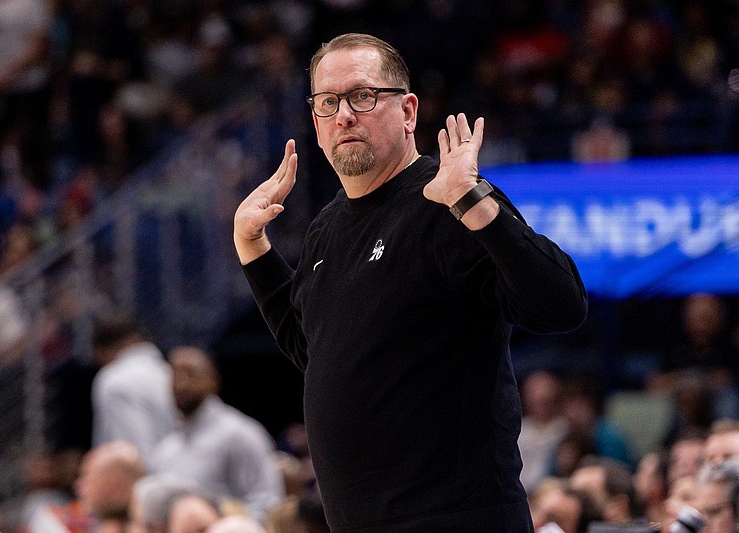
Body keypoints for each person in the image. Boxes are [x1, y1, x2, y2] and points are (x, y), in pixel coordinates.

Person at [232, 32, 587, 531]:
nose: (344, 115)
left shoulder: (446, 201)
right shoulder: (325, 229)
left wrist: (471, 200)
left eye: (362, 95)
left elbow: (562, 305)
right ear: (315, 124)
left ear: (408, 110)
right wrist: (252, 246)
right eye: (328, 102)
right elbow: (313, 350)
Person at [148, 346, 282, 524]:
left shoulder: (241, 434)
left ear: (213, 381)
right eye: (175, 374)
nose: (181, 383)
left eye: (190, 373)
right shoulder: (166, 448)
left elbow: (267, 502)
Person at [91, 313, 176, 458]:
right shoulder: (168, 373)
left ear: (101, 352)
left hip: (140, 470)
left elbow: (131, 452)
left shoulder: (115, 380)